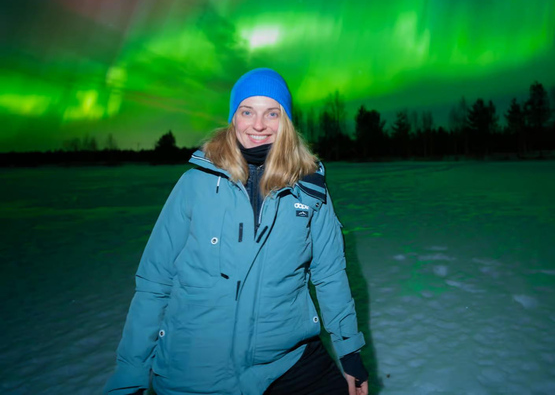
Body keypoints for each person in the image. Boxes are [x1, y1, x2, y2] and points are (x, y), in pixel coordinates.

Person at [104, 68, 369, 395]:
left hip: (288, 358)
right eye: (247, 112)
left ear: (285, 121)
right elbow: (155, 282)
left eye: (272, 113)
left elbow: (330, 275)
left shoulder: (310, 190)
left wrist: (349, 351)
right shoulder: (195, 185)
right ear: (233, 117)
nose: (258, 125)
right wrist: (130, 373)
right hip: (197, 366)